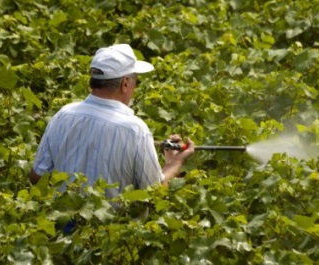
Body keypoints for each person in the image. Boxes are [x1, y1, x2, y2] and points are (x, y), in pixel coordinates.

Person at [30, 44, 195, 199]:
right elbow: (153, 194)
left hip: (60, 226)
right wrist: (174, 163)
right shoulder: (135, 130)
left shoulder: (63, 115)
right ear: (125, 83)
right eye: (135, 82)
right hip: (113, 229)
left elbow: (37, 176)